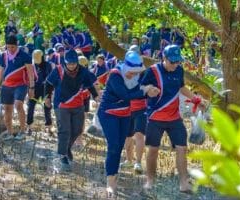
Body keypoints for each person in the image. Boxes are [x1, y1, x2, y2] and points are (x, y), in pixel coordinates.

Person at [141, 44, 206, 192]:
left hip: (174, 117)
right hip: (155, 117)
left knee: (182, 148)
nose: (176, 65)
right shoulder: (153, 71)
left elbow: (181, 87)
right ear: (164, 58)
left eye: (178, 61)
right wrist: (149, 90)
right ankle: (150, 180)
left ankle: (184, 183)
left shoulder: (179, 70)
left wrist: (196, 99)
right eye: (173, 62)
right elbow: (140, 87)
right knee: (153, 149)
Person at [97, 51, 159, 197]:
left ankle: (114, 177)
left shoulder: (137, 75)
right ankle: (110, 183)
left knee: (119, 147)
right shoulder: (115, 75)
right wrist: (145, 91)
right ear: (126, 67)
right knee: (113, 146)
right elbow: (126, 95)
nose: (133, 75)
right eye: (131, 72)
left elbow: (140, 88)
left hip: (125, 113)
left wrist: (151, 89)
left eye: (136, 72)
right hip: (109, 113)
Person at [44, 49, 98, 169]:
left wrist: (96, 96)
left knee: (77, 130)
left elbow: (90, 85)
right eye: (69, 63)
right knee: (65, 131)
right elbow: (48, 83)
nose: (71, 66)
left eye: (73, 63)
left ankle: (67, 148)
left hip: (78, 105)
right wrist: (47, 97)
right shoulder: (58, 70)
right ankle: (62, 155)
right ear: (65, 62)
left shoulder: (83, 71)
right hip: (61, 105)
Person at [0, 35, 35, 140]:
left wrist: (32, 87)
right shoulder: (3, 56)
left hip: (20, 85)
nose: (10, 49)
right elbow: (1, 71)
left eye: (12, 47)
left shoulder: (25, 56)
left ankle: (22, 131)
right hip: (6, 86)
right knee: (7, 109)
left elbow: (30, 73)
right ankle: (10, 133)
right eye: (8, 47)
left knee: (18, 105)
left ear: (17, 45)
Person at [27, 50, 52, 135]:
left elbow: (50, 79)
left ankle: (48, 127)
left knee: (47, 108)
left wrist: (50, 92)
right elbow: (29, 79)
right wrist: (30, 90)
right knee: (30, 107)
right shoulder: (31, 65)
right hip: (34, 89)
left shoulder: (48, 65)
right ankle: (29, 127)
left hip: (45, 89)